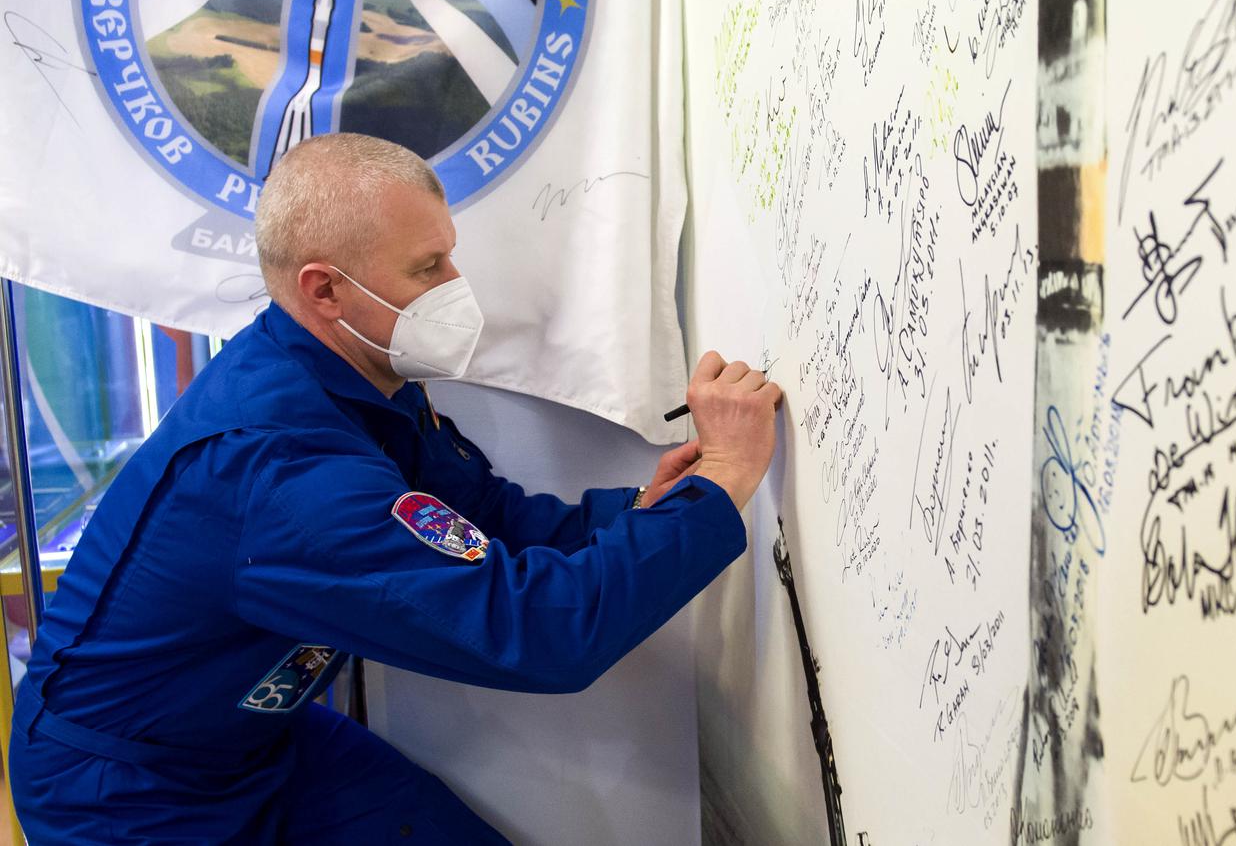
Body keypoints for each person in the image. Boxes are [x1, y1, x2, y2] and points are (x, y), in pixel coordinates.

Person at [9, 133, 782, 844]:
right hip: (126, 792)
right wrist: (720, 483)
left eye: (448, 257)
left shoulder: (356, 378)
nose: (456, 287)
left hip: (253, 738)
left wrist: (640, 510)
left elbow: (479, 514)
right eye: (427, 268)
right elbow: (537, 634)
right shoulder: (282, 474)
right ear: (325, 290)